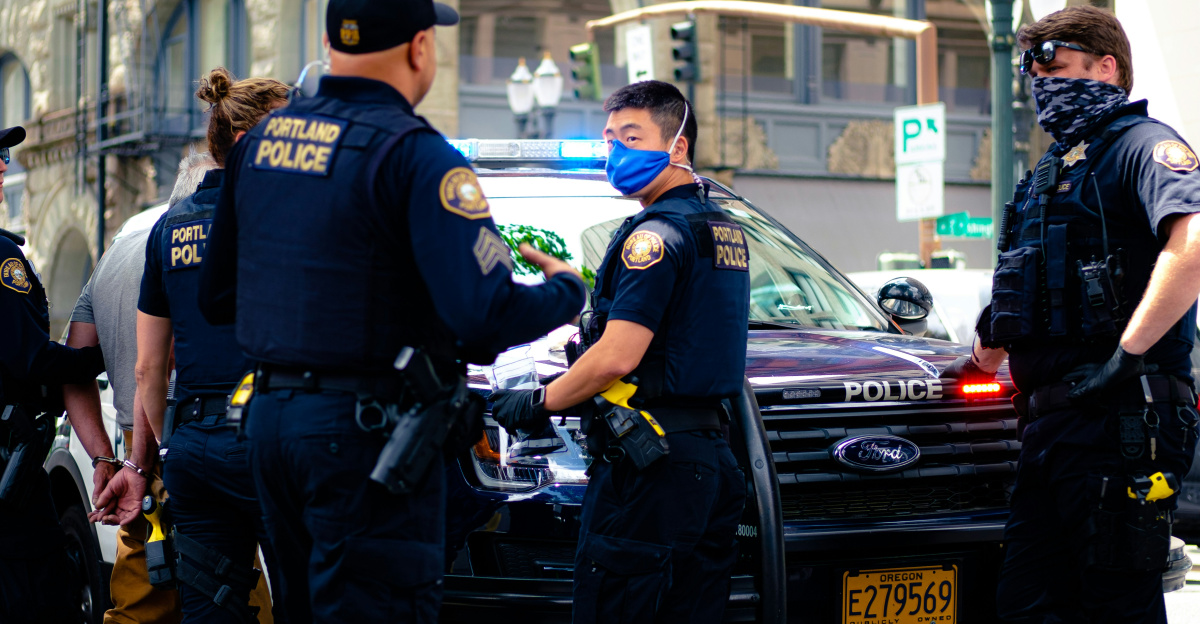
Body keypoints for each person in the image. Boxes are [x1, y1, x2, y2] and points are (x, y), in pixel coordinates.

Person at [195, 0, 587, 620]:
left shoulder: (263, 143)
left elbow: (215, 297)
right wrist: (567, 290)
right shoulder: (418, 156)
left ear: (329, 40)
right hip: (368, 436)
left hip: (272, 427)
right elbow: (482, 319)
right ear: (420, 47)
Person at [939, 7, 1200, 623]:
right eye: (1033, 71)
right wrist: (974, 362)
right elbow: (1023, 292)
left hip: (1121, 418)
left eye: (1055, 66)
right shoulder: (1054, 170)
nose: (1041, 83)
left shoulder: (1143, 145)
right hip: (1049, 428)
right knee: (1026, 603)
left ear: (1106, 67)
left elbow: (1192, 245)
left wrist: (1126, 356)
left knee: (1114, 603)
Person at [490, 80, 750, 624]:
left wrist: (541, 401)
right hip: (710, 462)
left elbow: (617, 357)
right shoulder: (723, 228)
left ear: (678, 146)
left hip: (650, 465)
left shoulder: (652, 237)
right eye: (611, 140)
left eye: (632, 138)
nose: (617, 153)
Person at [95, 68, 291, 624]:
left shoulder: (170, 226)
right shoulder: (284, 217)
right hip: (276, 440)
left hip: (196, 449)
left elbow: (149, 367)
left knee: (211, 609)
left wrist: (164, 448)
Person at [0, 124, 108, 623]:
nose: (5, 166)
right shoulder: (2, 259)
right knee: (44, 597)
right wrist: (100, 358)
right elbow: (32, 359)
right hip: (7, 471)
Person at [64, 197, 184, 624]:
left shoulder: (115, 254)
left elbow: (73, 366)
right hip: (182, 437)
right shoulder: (201, 239)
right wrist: (136, 463)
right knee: (232, 589)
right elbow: (155, 371)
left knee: (140, 598)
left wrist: (104, 457)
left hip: (138, 447)